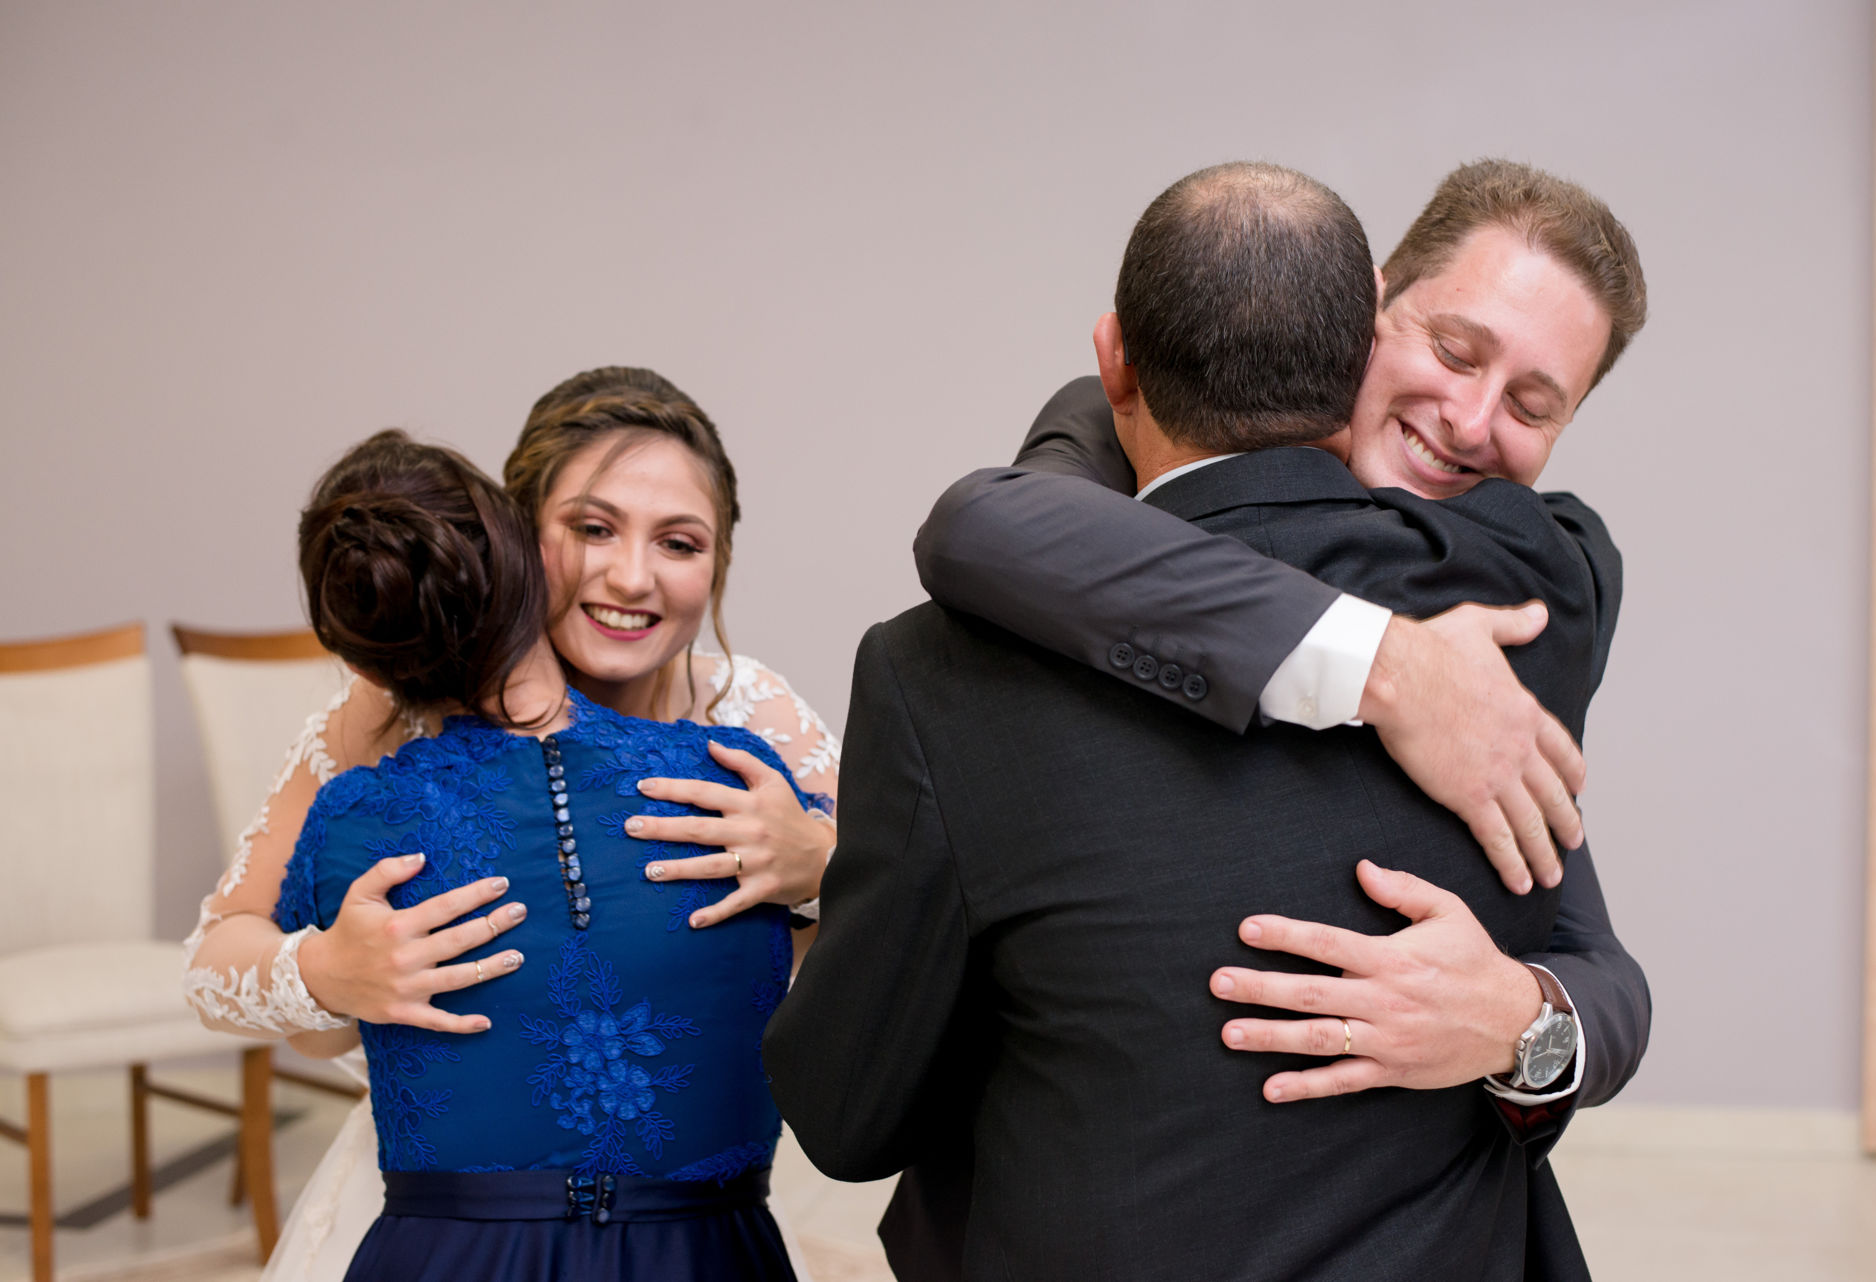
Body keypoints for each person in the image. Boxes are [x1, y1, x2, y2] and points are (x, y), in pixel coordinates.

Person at [764, 162, 1635, 1280]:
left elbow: (849, 1113)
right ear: (1367, 311)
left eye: (1531, 402)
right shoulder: (1538, 600)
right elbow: (1006, 518)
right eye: (1456, 352)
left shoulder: (948, 661)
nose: (1468, 423)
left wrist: (1526, 1020)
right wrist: (1381, 664)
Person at [182, 369, 839, 1281]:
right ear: (520, 537)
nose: (632, 577)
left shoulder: (750, 717)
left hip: (685, 1210)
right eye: (593, 529)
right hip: (451, 1206)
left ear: (717, 564)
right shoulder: (381, 719)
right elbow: (214, 959)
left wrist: (821, 864)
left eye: (679, 543)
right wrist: (324, 970)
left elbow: (912, 930)